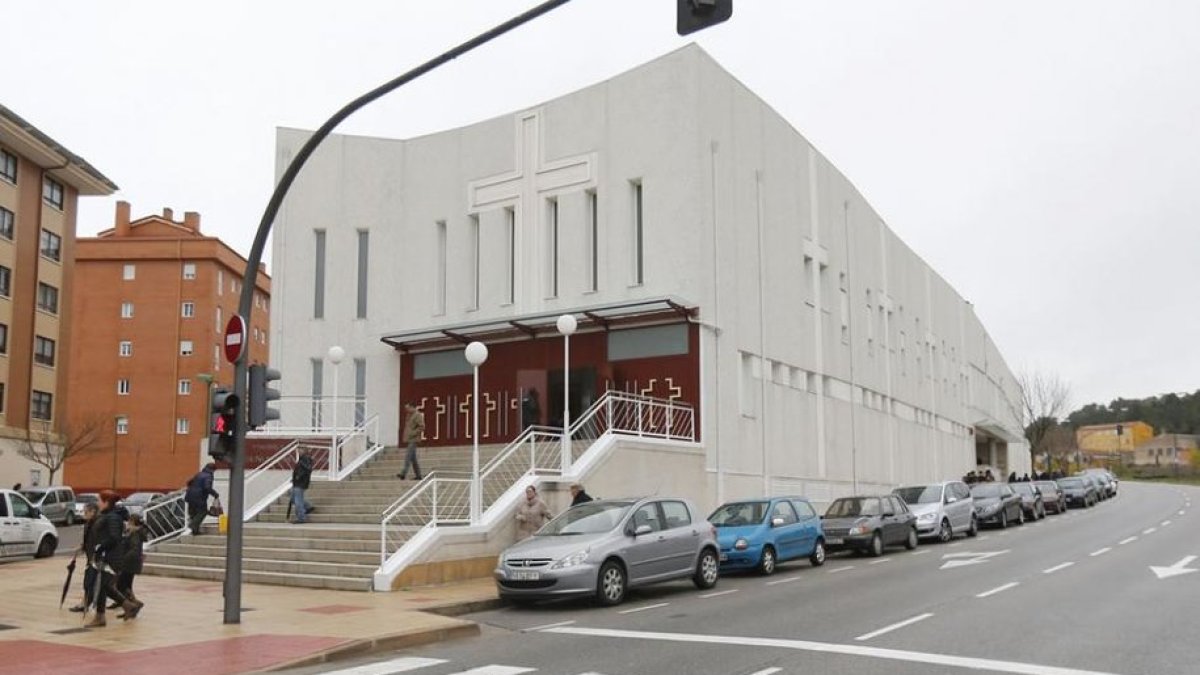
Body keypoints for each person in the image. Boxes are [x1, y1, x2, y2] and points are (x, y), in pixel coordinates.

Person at [84, 490, 140, 628]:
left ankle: (125, 607)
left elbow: (114, 537)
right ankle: (106, 614)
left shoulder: (113, 517)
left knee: (103, 586)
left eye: (99, 500)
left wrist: (100, 547)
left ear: (106, 502)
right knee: (104, 587)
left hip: (110, 558)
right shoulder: (107, 515)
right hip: (104, 557)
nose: (98, 503)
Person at [69, 502, 101, 612]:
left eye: (86, 512)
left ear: (93, 512)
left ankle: (86, 603)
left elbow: (99, 541)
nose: (84, 514)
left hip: (96, 557)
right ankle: (86, 602)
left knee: (91, 581)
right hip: (90, 556)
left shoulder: (98, 524)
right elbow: (87, 539)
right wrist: (82, 547)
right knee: (89, 581)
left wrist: (95, 555)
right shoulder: (88, 524)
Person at [114, 514, 146, 620]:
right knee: (126, 586)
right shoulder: (135, 533)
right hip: (131, 564)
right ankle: (132, 607)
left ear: (132, 523)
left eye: (129, 522)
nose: (127, 524)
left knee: (121, 586)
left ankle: (134, 605)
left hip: (129, 565)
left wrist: (123, 559)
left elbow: (134, 550)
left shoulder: (135, 535)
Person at [185, 463, 220, 535]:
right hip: (199, 497)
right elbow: (207, 487)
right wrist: (215, 494)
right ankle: (193, 525)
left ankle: (195, 531)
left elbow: (188, 482)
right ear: (212, 470)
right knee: (203, 512)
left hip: (190, 495)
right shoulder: (209, 476)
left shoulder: (199, 474)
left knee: (193, 513)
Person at [396, 403, 425, 481]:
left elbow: (422, 426)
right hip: (409, 439)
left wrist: (413, 433)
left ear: (412, 407)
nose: (407, 410)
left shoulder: (417, 415)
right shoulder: (409, 415)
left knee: (408, 457)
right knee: (413, 459)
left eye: (408, 408)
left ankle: (403, 473)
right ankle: (418, 475)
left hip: (414, 439)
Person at [291, 449, 315, 524]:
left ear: (304, 451)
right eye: (298, 451)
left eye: (300, 450)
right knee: (293, 498)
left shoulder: (305, 459)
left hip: (300, 483)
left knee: (298, 501)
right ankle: (308, 506)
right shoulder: (302, 459)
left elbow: (308, 469)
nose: (298, 452)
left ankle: (301, 518)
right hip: (297, 482)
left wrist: (298, 477)